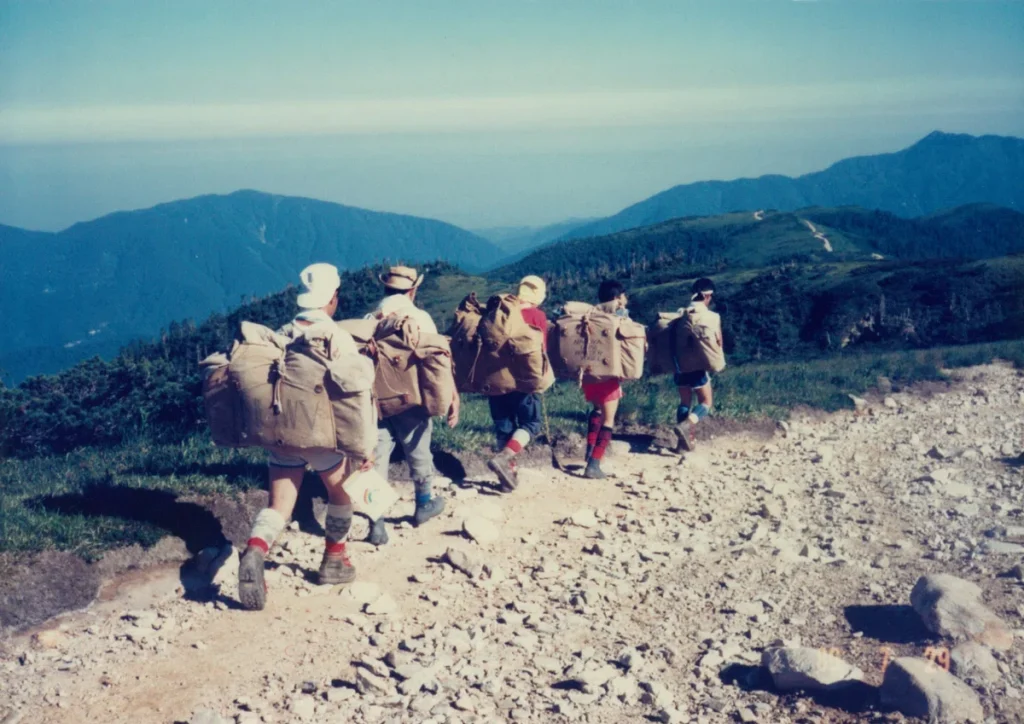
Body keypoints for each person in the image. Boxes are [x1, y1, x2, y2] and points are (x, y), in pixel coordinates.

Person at [238, 263, 370, 612]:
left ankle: (255, 549)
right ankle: (334, 561)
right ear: (332, 299)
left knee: (279, 505)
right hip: (320, 434)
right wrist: (362, 446)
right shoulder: (335, 336)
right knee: (339, 492)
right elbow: (354, 395)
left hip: (282, 431)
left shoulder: (282, 331)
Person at [366, 266, 457, 546]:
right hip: (411, 400)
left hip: (375, 400)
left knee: (376, 457)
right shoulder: (419, 317)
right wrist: (451, 397)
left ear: (385, 289)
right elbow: (437, 361)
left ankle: (376, 522)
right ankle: (423, 503)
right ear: (413, 290)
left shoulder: (370, 318)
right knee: (418, 450)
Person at [486, 275, 549, 492]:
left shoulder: (497, 313)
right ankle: (505, 457)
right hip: (523, 381)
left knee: (504, 426)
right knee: (531, 424)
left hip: (493, 380)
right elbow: (541, 352)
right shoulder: (537, 316)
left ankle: (507, 477)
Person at [579, 279, 630, 479]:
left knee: (597, 410)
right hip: (608, 375)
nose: (626, 299)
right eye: (624, 295)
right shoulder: (619, 315)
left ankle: (590, 452)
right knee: (609, 419)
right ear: (617, 298)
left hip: (589, 374)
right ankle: (594, 465)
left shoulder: (590, 314)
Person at [674, 277, 723, 452]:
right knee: (706, 402)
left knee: (684, 402)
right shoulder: (712, 317)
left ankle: (682, 445)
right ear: (707, 296)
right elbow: (718, 344)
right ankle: (687, 425)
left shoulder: (681, 313)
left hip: (678, 366)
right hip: (696, 367)